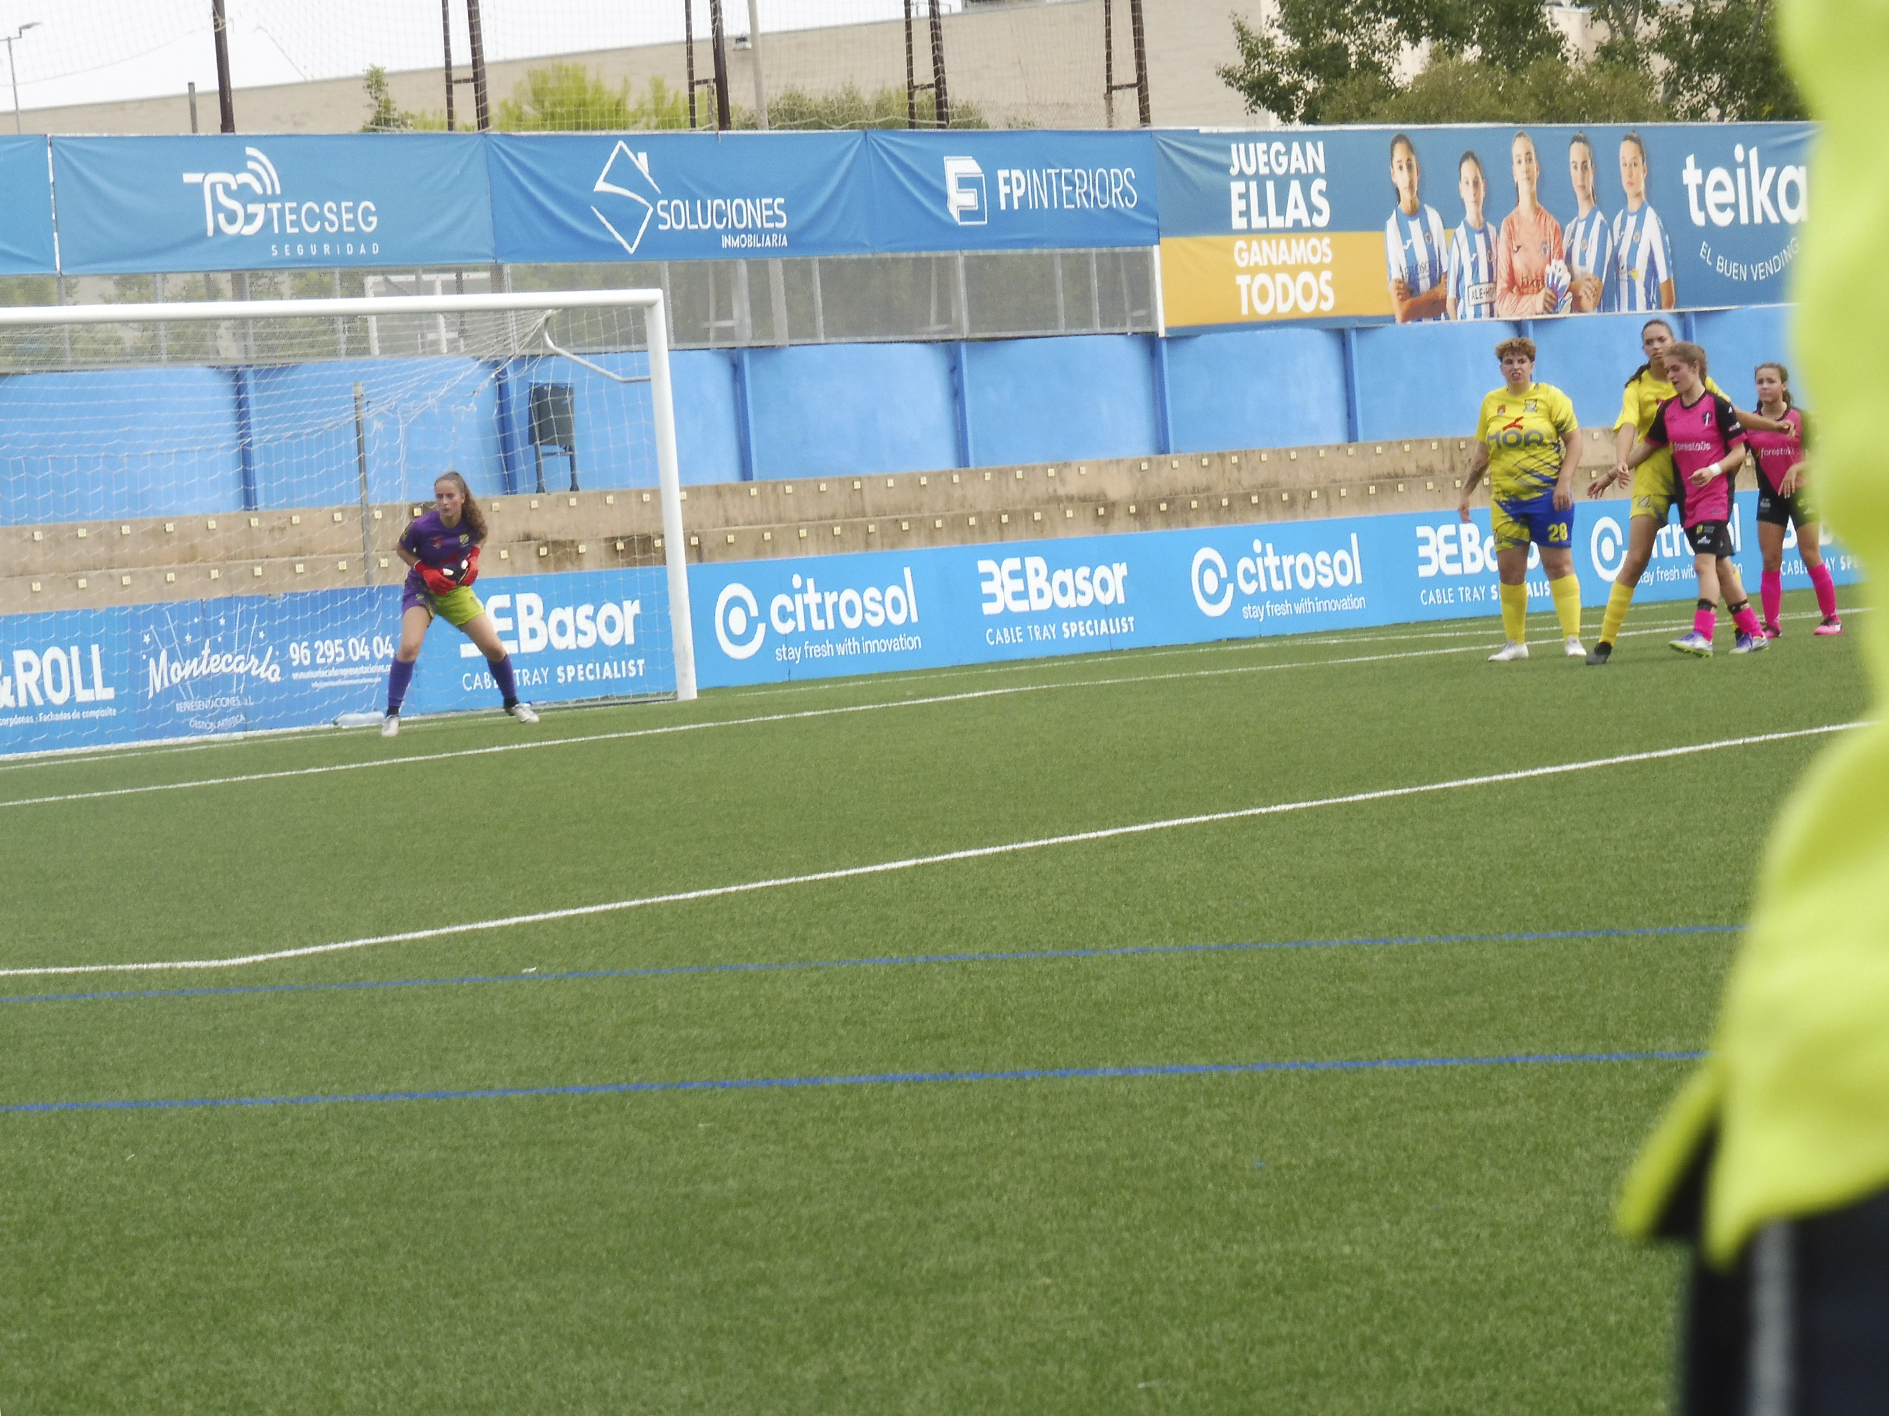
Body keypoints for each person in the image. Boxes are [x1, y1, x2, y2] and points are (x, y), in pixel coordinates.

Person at [1618, 3, 1889, 1397]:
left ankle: (1748, 623)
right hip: (1846, 1058)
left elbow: (1764, 429)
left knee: (1762, 563)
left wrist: (1760, 449)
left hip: (1857, 1072)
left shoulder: (1737, 407)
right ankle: (1749, 623)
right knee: (1752, 570)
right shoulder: (1685, 405)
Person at [1584, 320, 1788, 664]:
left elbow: (1735, 423)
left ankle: (1712, 634)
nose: (1656, 347)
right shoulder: (1648, 396)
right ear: (1643, 348)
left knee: (1708, 561)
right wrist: (1614, 469)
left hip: (1706, 488)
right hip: (1664, 483)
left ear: (1690, 363)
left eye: (1661, 340)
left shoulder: (1709, 396)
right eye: (1649, 342)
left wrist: (1771, 428)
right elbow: (1638, 434)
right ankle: (1605, 643)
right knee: (1651, 559)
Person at [1618, 342, 1768, 656]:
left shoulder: (1719, 407)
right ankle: (1754, 633)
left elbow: (1739, 451)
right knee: (1722, 567)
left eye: (1676, 369)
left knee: (1703, 564)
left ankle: (1703, 634)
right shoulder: (1668, 410)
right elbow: (1649, 446)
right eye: (1668, 370)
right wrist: (1614, 471)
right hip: (1690, 500)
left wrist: (1713, 470)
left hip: (1715, 496)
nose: (1671, 375)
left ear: (1695, 368)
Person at [382, 471, 540, 737]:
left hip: (455, 591)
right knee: (409, 647)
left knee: (494, 648)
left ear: (462, 498)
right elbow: (401, 549)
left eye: (450, 496)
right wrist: (425, 571)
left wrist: (474, 557)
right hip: (422, 589)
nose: (444, 502)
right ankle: (392, 714)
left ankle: (513, 702)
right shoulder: (422, 526)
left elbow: (482, 534)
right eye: (439, 496)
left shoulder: (472, 522)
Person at [1458, 336, 1586, 660]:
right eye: (1509, 362)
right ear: (1501, 368)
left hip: (1548, 497)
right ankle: (1516, 643)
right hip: (1506, 501)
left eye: (1521, 361)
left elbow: (1575, 441)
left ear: (1532, 366)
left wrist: (1564, 482)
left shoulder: (1551, 397)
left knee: (1558, 565)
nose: (1515, 367)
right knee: (1509, 571)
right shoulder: (1491, 403)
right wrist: (1466, 491)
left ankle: (1572, 639)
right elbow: (1483, 452)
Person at [1745, 361, 1843, 637]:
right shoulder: (1751, 423)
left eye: (1771, 381)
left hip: (1802, 493)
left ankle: (1832, 619)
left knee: (1810, 554)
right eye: (1760, 382)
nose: (1765, 386)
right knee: (1770, 560)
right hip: (1770, 495)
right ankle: (1772, 625)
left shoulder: (1801, 418)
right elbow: (1737, 453)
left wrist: (1796, 468)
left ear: (1784, 386)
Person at [1493, 130, 1565, 318]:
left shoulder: (1552, 227)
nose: (1525, 167)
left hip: (1549, 327)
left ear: (1537, 168)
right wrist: (1534, 302)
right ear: (1514, 173)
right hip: (1520, 329)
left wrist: (1548, 302)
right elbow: (1501, 301)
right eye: (1519, 161)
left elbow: (1561, 293)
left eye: (1528, 159)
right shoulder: (1508, 227)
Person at [1384, 133, 1449, 324]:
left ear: (1418, 170)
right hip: (1411, 337)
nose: (1406, 176)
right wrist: (1435, 293)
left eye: (1410, 165)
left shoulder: (1433, 219)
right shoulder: (1393, 228)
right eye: (1400, 167)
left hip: (1441, 330)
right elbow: (1402, 313)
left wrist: (1413, 303)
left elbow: (1447, 298)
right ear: (1393, 175)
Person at [1612, 131, 1676, 312]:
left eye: (1634, 164)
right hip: (1618, 326)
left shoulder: (1652, 223)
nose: (1629, 172)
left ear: (1644, 170)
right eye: (1624, 164)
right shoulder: (1618, 222)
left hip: (1643, 324)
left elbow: (1669, 298)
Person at [1563, 132, 1613, 313]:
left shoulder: (1600, 228)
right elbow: (1558, 289)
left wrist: (1566, 291)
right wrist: (1575, 287)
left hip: (1595, 327)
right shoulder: (1570, 230)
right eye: (1575, 167)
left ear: (1593, 170)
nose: (1580, 175)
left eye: (1584, 167)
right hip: (1570, 327)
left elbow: (1590, 302)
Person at [1446, 151, 1497, 321]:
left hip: (1493, 329)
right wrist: (1459, 332)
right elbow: (1451, 300)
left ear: (1484, 187)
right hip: (1468, 332)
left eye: (1476, 183)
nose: (1472, 191)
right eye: (1467, 183)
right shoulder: (1458, 240)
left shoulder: (1494, 235)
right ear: (1461, 189)